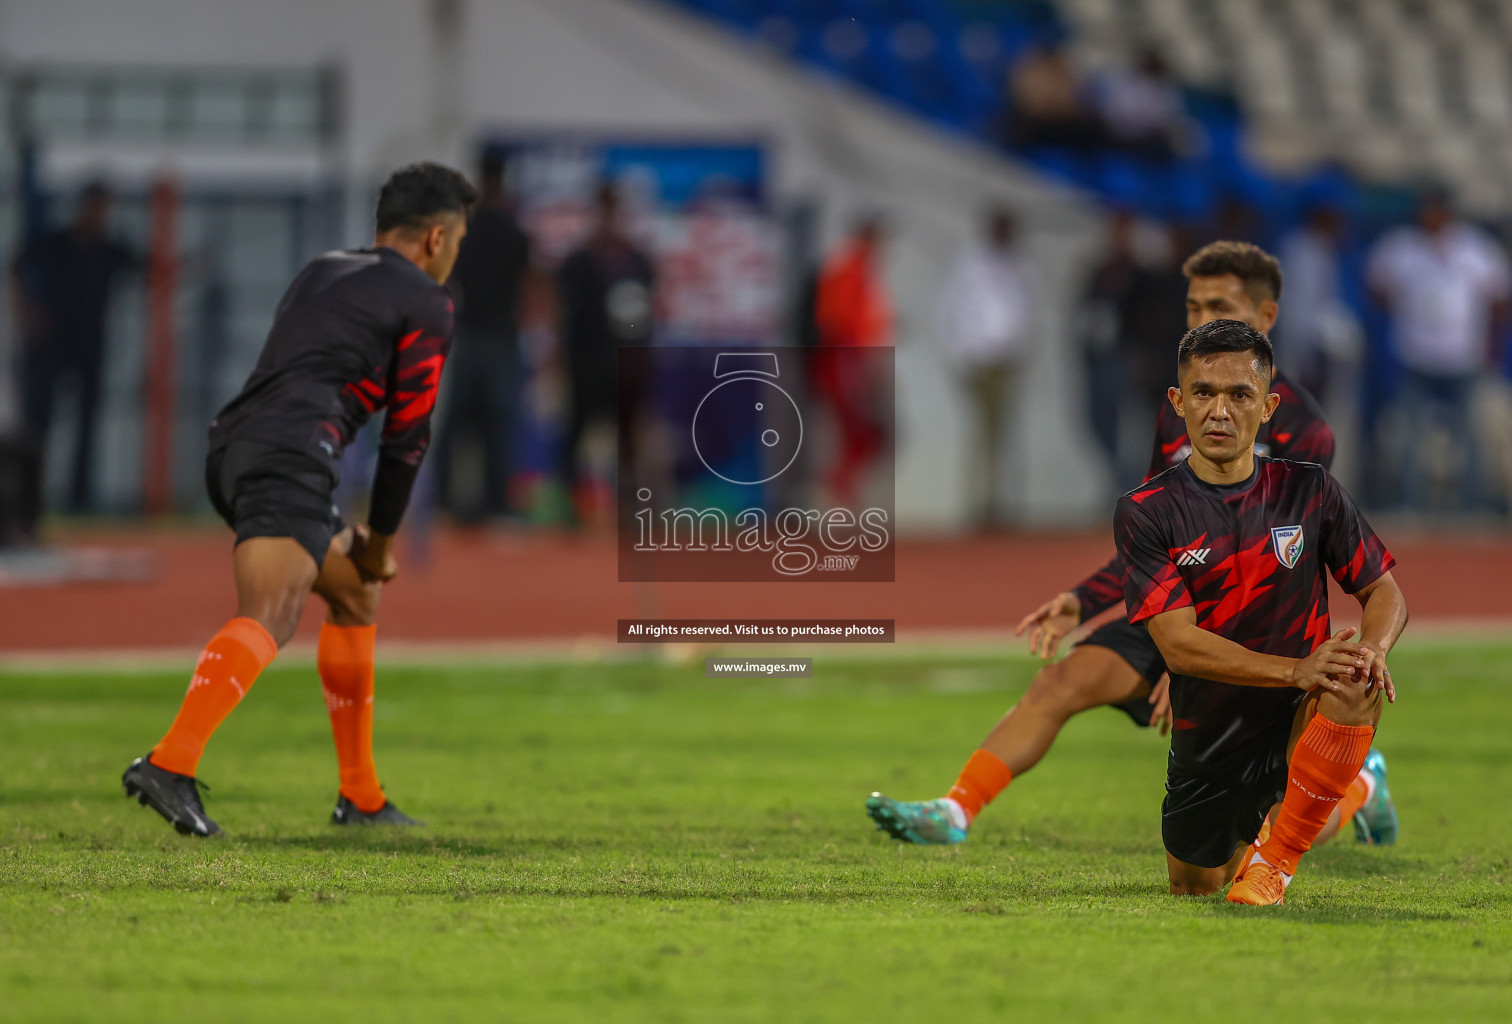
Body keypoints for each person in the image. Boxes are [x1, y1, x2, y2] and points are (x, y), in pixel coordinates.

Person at [866, 241, 1394, 856]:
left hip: (1255, 632)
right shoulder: (1180, 412)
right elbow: (1161, 531)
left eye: (1218, 305)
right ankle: (956, 808)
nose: (1199, 320)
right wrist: (1083, 601)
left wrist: (1198, 669)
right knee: (1062, 680)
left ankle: (1358, 786)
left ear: (1267, 318)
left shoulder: (1306, 434)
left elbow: (1290, 560)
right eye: (1193, 306)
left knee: (1277, 813)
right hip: (1178, 618)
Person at [121, 163, 476, 836]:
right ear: (435, 239)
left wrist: (363, 559)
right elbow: (407, 438)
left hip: (235, 448)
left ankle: (362, 799)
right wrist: (381, 545)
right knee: (273, 613)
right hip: (291, 456)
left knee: (352, 595)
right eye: (457, 240)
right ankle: (170, 763)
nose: (454, 254)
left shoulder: (324, 269)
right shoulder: (429, 300)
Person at [1115, 318, 1406, 902]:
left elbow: (1384, 592)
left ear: (1269, 405)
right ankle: (1361, 792)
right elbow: (1177, 644)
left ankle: (1276, 866)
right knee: (1196, 887)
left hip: (1302, 712)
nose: (1219, 411)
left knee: (1352, 680)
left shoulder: (1312, 490)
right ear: (1178, 402)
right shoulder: (1147, 511)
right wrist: (1293, 668)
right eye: (1203, 393)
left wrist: (1371, 652)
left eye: (1239, 395)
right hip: (1213, 731)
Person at [1367, 189, 1510, 512]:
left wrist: (1492, 347)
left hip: (1464, 357)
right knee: (1410, 434)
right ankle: (1408, 502)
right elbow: (1376, 286)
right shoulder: (1401, 246)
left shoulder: (1475, 248)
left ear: (1448, 212)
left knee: (1471, 435)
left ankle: (1473, 505)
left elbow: (1499, 299)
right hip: (1415, 356)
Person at [11, 182, 135, 515]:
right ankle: (29, 501)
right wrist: (28, 312)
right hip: (51, 345)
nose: (100, 215)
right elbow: (17, 267)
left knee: (87, 425)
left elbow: (150, 269)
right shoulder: (55, 244)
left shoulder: (110, 248)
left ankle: (80, 500)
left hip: (90, 345)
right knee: (38, 423)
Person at [436, 153, 532, 523]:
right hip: (499, 338)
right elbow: (528, 287)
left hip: (472, 335)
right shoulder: (512, 229)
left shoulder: (465, 230)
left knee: (458, 424)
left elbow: (444, 281)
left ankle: (447, 500)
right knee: (497, 425)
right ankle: (496, 503)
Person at [556, 183, 655, 525]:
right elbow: (565, 315)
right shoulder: (580, 261)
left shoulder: (637, 261)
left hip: (625, 367)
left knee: (627, 440)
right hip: (586, 364)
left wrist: (637, 354)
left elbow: (644, 318)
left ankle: (629, 508)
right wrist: (561, 360)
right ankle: (573, 506)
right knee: (576, 435)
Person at [935, 207, 1035, 528]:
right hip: (980, 361)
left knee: (999, 433)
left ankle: (994, 501)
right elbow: (949, 311)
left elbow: (1023, 314)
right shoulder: (971, 265)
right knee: (985, 431)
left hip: (1005, 361)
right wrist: (962, 355)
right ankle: (981, 502)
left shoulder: (1018, 267)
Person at [813, 215, 892, 505]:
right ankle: (835, 488)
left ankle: (840, 489)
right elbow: (837, 323)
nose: (883, 245)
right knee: (861, 431)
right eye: (877, 238)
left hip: (853, 360)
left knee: (867, 434)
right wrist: (860, 367)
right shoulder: (848, 270)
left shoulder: (863, 271)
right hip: (846, 360)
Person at [1276, 203, 1360, 404]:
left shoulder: (1325, 252)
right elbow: (1300, 299)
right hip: (1299, 329)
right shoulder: (1298, 250)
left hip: (1316, 333)